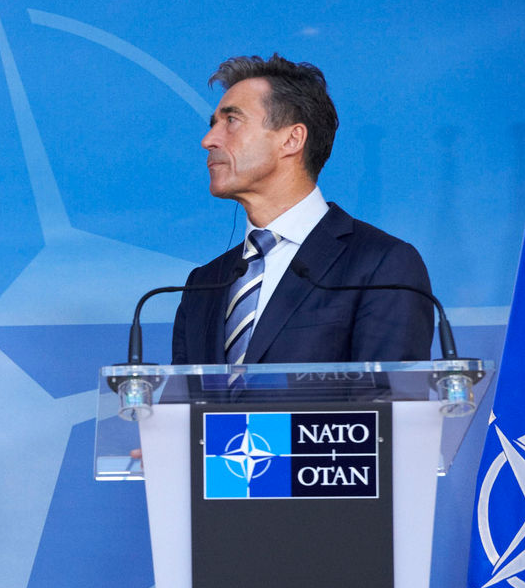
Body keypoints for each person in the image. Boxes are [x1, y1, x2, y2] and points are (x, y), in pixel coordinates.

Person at [171, 54, 433, 364]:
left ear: (292, 139)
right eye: (213, 124)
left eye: (231, 121)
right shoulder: (204, 283)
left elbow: (390, 402)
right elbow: (183, 409)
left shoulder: (381, 265)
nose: (208, 140)